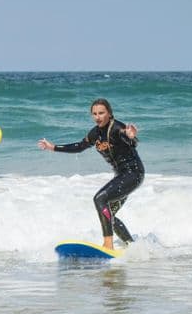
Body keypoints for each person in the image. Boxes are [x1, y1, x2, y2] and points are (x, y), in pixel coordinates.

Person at [38, 98, 144, 250]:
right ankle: (133, 248)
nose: (97, 117)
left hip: (133, 174)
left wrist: (131, 136)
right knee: (108, 215)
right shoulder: (95, 133)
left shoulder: (117, 128)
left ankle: (108, 245)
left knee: (100, 199)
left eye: (101, 113)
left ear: (109, 113)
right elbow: (80, 146)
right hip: (121, 176)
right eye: (94, 114)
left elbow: (129, 139)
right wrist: (53, 147)